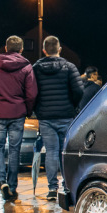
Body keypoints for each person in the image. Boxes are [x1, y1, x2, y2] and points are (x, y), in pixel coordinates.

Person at [0, 35, 36, 201]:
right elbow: (31, 93)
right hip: (17, 113)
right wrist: (27, 110)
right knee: (14, 149)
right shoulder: (26, 67)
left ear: (5, 48)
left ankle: (1, 181)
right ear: (21, 49)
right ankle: (12, 186)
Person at [32, 35, 82, 200]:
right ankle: (66, 186)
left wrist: (37, 108)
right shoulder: (69, 67)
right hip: (66, 115)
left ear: (44, 50)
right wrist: (72, 105)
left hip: (46, 117)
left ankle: (52, 189)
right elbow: (79, 91)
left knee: (51, 151)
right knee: (64, 151)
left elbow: (32, 92)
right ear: (59, 49)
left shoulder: (36, 69)